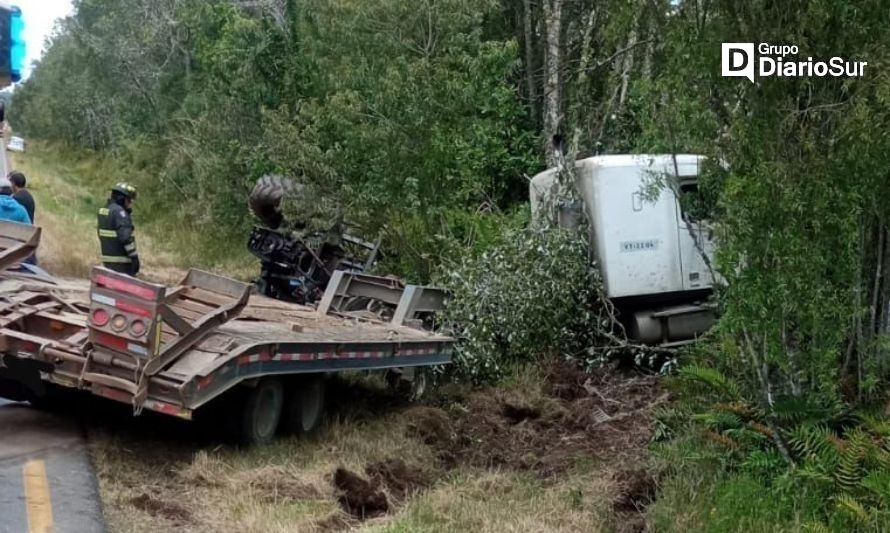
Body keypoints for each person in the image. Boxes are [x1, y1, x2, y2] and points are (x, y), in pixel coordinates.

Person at [97, 182, 140, 276]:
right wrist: (134, 257)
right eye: (129, 200)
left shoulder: (104, 211)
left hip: (107, 260)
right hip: (122, 263)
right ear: (122, 198)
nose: (130, 203)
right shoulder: (120, 213)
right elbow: (125, 238)